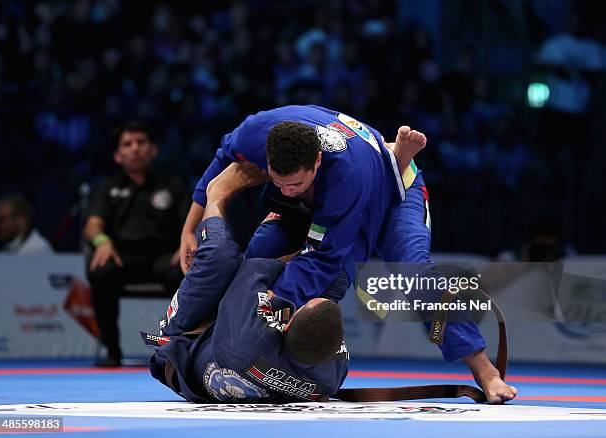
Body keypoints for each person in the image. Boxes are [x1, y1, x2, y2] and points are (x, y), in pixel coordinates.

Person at [180, 105, 516, 403]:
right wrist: (189, 228)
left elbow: (325, 257)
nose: (285, 190)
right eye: (278, 181)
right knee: (261, 253)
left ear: (317, 161)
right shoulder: (257, 132)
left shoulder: (345, 176)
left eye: (294, 183)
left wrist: (275, 302)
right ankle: (221, 342)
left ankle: (484, 370)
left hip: (393, 192)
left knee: (412, 274)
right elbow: (224, 160)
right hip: (322, 200)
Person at [150, 162, 348, 403]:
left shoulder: (251, 335)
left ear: (284, 325)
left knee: (219, 257)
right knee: (331, 274)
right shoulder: (331, 375)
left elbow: (252, 267)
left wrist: (302, 258)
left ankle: (215, 196)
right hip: (240, 350)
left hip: (185, 344)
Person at [84, 121, 189, 367]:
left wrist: (185, 246)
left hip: (164, 257)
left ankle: (184, 348)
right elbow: (92, 225)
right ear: (118, 155)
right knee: (101, 272)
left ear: (153, 150)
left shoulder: (173, 184)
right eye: (127, 144)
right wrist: (102, 242)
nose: (135, 149)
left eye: (141, 143)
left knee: (191, 273)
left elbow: (190, 222)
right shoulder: (107, 186)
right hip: (123, 257)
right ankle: (112, 350)